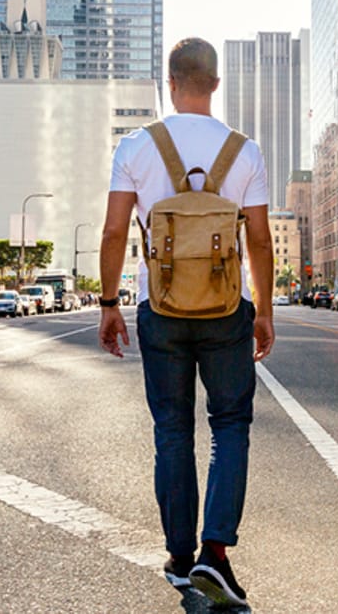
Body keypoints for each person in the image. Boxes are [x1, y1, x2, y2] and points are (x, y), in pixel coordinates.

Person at [97, 38, 273, 608]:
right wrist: (264, 310)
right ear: (215, 84)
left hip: (162, 309)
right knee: (230, 426)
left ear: (170, 82)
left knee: (172, 430)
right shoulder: (244, 152)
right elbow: (261, 240)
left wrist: (108, 304)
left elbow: (114, 233)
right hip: (226, 311)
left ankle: (179, 555)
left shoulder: (137, 146)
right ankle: (215, 555)